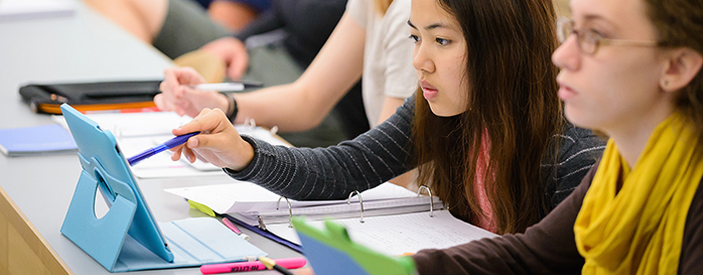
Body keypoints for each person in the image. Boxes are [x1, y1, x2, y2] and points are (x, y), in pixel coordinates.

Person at [168, 0, 605, 237]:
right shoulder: (438, 108)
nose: (420, 61)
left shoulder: (573, 152)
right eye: (416, 38)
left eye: (442, 41)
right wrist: (242, 153)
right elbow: (342, 169)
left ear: (501, 45)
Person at [407, 0, 703, 273]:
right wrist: (401, 269)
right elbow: (531, 256)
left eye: (595, 36)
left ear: (676, 66)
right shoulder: (621, 165)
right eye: (572, 30)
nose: (562, 55)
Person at [86, 0, 363, 148]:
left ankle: (142, 115)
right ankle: (125, 108)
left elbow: (308, 99)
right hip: (266, 48)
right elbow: (288, 13)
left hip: (323, 93)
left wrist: (225, 104)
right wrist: (240, 40)